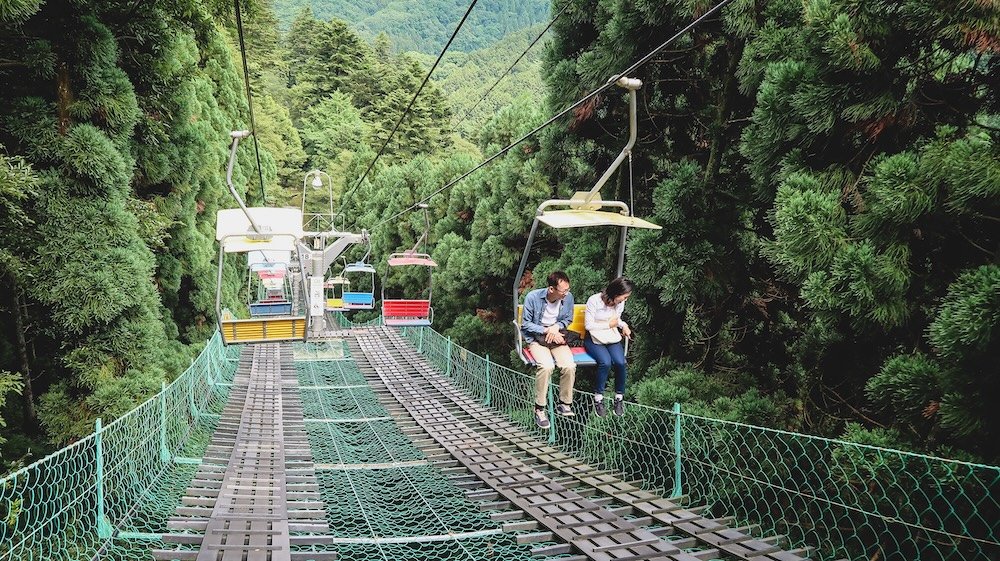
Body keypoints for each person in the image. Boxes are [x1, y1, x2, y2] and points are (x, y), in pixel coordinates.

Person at [520, 271, 576, 428]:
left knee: (569, 366)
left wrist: (555, 328)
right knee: (546, 366)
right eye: (563, 291)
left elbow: (568, 319)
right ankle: (539, 408)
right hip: (538, 337)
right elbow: (526, 324)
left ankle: (564, 403)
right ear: (551, 289)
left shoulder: (568, 298)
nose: (566, 293)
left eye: (567, 290)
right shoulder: (533, 297)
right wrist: (546, 330)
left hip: (556, 336)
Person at [584, 277, 634, 417]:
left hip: (610, 336)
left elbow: (616, 320)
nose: (625, 300)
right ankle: (598, 398)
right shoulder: (594, 300)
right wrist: (607, 325)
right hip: (593, 338)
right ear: (616, 293)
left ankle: (619, 397)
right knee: (605, 362)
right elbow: (588, 325)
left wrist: (624, 326)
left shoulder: (619, 304)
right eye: (624, 296)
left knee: (620, 362)